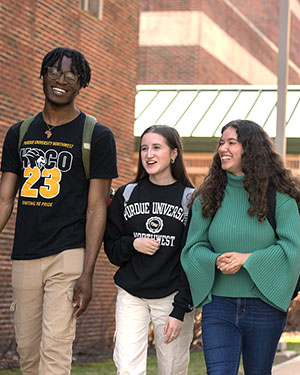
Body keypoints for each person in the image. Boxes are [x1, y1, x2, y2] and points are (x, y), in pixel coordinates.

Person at [0, 47, 118, 375]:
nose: (60, 80)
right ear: (42, 74)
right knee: (28, 352)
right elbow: (5, 199)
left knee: (55, 346)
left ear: (82, 83)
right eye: (54, 71)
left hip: (68, 255)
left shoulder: (97, 136)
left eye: (71, 74)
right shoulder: (19, 133)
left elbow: (97, 207)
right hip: (24, 254)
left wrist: (88, 271)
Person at [181, 119, 300, 375]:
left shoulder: (280, 198)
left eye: (232, 143)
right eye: (221, 142)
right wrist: (214, 260)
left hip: (265, 306)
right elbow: (193, 248)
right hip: (219, 306)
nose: (223, 148)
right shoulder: (207, 197)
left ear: (251, 149)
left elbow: (293, 250)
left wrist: (248, 259)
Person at [104, 125, 195, 375]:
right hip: (132, 294)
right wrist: (133, 243)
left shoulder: (190, 199)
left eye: (157, 147)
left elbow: (192, 260)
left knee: (172, 369)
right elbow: (112, 249)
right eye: (144, 148)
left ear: (174, 153)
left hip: (171, 296)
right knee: (127, 367)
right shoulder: (127, 194)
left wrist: (181, 308)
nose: (148, 154)